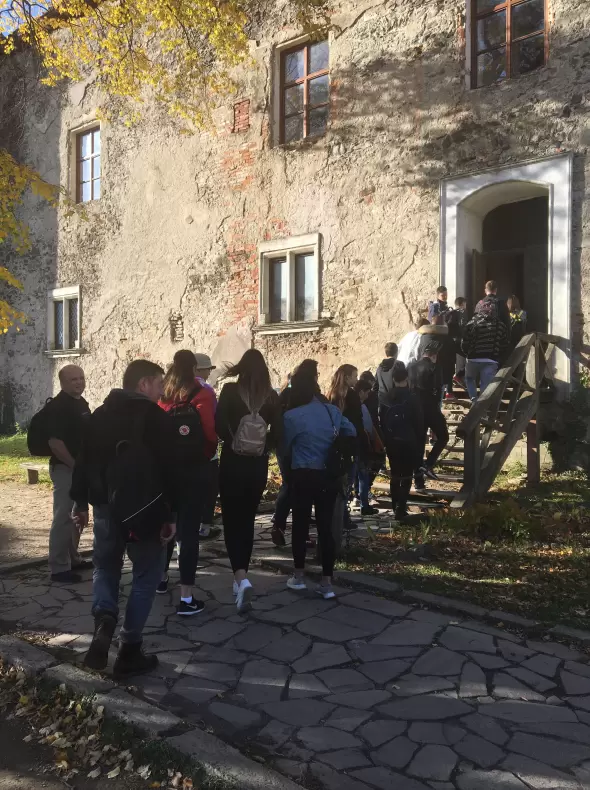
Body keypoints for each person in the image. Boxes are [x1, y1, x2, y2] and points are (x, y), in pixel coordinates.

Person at [71, 360, 178, 677]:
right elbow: (172, 470)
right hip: (146, 511)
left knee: (105, 566)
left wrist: (80, 503)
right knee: (147, 573)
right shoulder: (157, 418)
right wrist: (171, 514)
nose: (162, 391)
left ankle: (104, 616)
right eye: (159, 383)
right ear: (143, 384)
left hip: (105, 507)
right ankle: (129, 648)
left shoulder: (99, 416)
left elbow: (83, 462)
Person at [215, 349, 282, 613]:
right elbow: (279, 432)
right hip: (257, 467)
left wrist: (234, 440)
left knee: (232, 522)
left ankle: (240, 577)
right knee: (247, 520)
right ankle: (240, 577)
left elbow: (219, 426)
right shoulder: (271, 396)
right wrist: (263, 447)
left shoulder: (230, 391)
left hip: (232, 464)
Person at [283, 373, 356, 599]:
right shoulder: (332, 411)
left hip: (303, 474)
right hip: (328, 474)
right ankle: (327, 582)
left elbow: (284, 447)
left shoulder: (292, 416)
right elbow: (351, 431)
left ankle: (298, 576)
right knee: (325, 528)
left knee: (300, 525)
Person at [157, 350, 217, 614]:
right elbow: (210, 432)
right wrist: (205, 454)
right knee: (189, 532)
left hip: (166, 471)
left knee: (166, 524)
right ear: (194, 368)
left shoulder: (164, 393)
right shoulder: (202, 393)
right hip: (194, 470)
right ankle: (186, 597)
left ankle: (161, 578)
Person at [272, 359, 324, 547]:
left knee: (288, 485)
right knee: (304, 492)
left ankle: (279, 524)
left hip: (284, 444)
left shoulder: (285, 393)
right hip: (305, 447)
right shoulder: (313, 395)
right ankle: (302, 533)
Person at [48, 365, 92, 583]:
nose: (79, 382)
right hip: (65, 468)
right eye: (73, 379)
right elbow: (55, 443)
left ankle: (72, 558)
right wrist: (75, 466)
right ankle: (59, 568)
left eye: (81, 378)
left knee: (78, 515)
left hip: (79, 468)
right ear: (63, 382)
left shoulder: (81, 403)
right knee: (63, 517)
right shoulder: (58, 407)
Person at [378, 361, 423, 521]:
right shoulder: (412, 397)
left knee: (395, 474)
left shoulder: (386, 397)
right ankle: (401, 508)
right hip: (409, 440)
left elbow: (382, 420)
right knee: (407, 475)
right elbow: (419, 423)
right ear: (407, 379)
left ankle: (394, 505)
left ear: (393, 379)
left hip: (392, 441)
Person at [328, 365, 373, 516]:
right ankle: (344, 516)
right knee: (349, 479)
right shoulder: (351, 395)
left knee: (341, 479)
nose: (356, 379)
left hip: (336, 441)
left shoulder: (332, 393)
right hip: (351, 441)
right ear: (347, 378)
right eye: (355, 376)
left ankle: (338, 513)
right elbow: (357, 422)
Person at [407, 343, 449, 490]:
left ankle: (418, 482)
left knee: (419, 444)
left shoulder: (411, 367)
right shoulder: (435, 368)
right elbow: (438, 391)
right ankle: (428, 463)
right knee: (443, 436)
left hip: (415, 409)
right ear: (434, 356)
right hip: (430, 408)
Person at [462, 297, 510, 403]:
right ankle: (482, 407)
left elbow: (465, 342)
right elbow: (504, 344)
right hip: (491, 360)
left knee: (469, 379)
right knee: (486, 386)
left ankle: (474, 399)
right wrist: (498, 355)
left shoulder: (472, 323)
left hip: (473, 359)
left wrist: (467, 353)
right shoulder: (501, 325)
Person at [193, 353, 219, 539]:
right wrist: (212, 447)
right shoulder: (206, 390)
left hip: (183, 451)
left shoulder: (174, 388)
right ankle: (204, 527)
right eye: (208, 369)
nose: (209, 373)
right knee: (209, 490)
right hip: (205, 450)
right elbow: (210, 422)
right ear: (199, 370)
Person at [354, 379, 382, 515]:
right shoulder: (361, 407)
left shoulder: (347, 404)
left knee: (354, 476)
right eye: (366, 392)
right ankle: (364, 504)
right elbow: (369, 427)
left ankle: (354, 500)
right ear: (361, 392)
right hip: (362, 445)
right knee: (363, 475)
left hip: (351, 445)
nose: (367, 396)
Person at [449, 297, 468, 389]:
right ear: (462, 304)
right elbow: (463, 326)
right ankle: (459, 376)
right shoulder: (461, 313)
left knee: (452, 362)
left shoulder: (450, 313)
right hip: (459, 340)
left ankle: (453, 382)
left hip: (450, 341)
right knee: (469, 357)